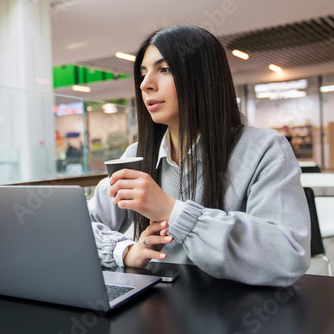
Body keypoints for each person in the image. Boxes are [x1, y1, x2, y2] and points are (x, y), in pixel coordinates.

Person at [88, 25, 310, 287]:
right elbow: (77, 227)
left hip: (239, 311)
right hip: (158, 314)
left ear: (203, 77)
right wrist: (123, 252)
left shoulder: (264, 149)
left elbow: (287, 256)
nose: (146, 84)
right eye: (143, 73)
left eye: (165, 69)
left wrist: (173, 211)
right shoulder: (137, 156)